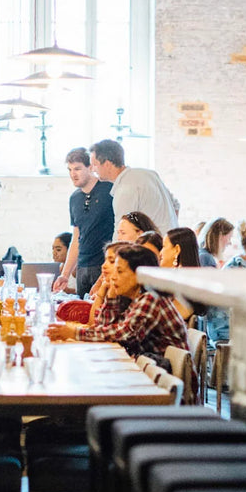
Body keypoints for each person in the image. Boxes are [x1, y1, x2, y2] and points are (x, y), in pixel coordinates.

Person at [48, 245, 189, 366]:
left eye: (120, 271)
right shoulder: (135, 298)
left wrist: (74, 333)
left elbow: (121, 334)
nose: (113, 276)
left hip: (163, 385)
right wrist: (110, 294)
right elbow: (101, 327)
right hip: (148, 370)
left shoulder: (150, 299)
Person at [53, 147, 116, 299]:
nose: (73, 174)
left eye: (77, 169)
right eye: (69, 170)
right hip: (82, 267)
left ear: (90, 167)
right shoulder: (74, 198)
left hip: (104, 266)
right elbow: (76, 238)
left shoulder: (110, 190)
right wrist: (65, 274)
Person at [89, 138, 179, 231]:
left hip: (151, 243)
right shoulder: (150, 174)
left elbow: (122, 232)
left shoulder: (124, 189)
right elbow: (176, 205)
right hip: (169, 242)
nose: (92, 169)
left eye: (95, 165)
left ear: (107, 164)